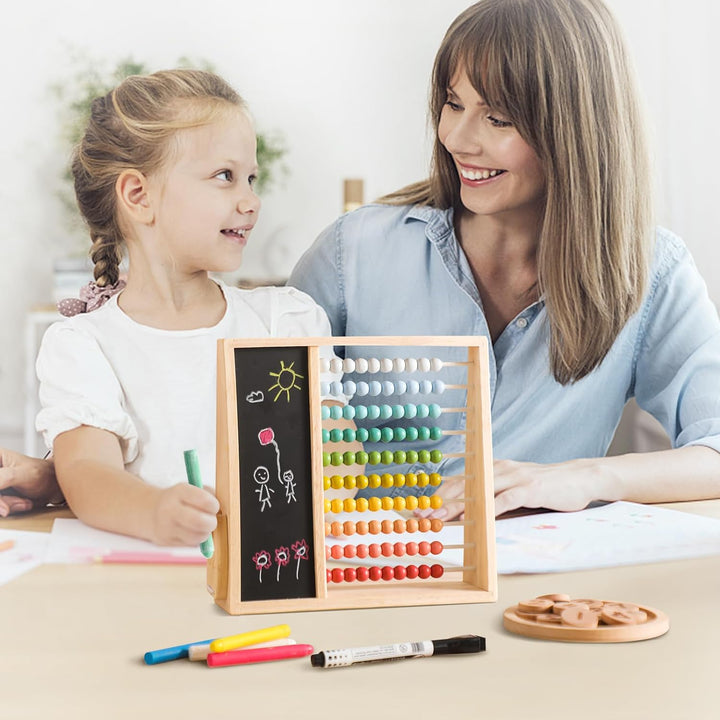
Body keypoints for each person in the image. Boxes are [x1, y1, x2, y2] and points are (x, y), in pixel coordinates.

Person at [288, 0, 720, 519]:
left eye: (498, 119)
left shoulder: (650, 272)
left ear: (575, 130)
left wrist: (584, 477)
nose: (458, 139)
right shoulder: (351, 253)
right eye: (452, 104)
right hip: (364, 583)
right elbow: (254, 416)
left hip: (530, 589)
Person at [33, 69, 338, 544]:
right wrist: (154, 511)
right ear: (139, 195)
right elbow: (87, 472)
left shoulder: (286, 322)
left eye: (251, 179)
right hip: (149, 586)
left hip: (272, 575)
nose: (251, 200)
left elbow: (339, 456)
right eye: (225, 176)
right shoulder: (85, 346)